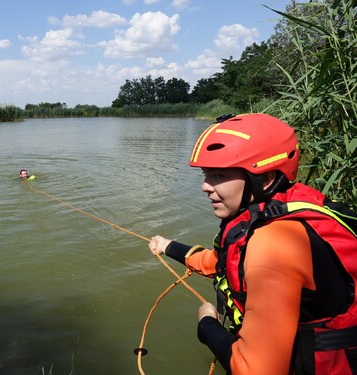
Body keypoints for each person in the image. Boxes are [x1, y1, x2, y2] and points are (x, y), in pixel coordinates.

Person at [148, 114, 357, 374]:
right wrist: (167, 245)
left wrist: (206, 325)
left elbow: (252, 370)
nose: (204, 186)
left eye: (219, 175)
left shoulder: (274, 244)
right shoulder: (278, 209)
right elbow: (219, 262)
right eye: (206, 174)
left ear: (265, 178)